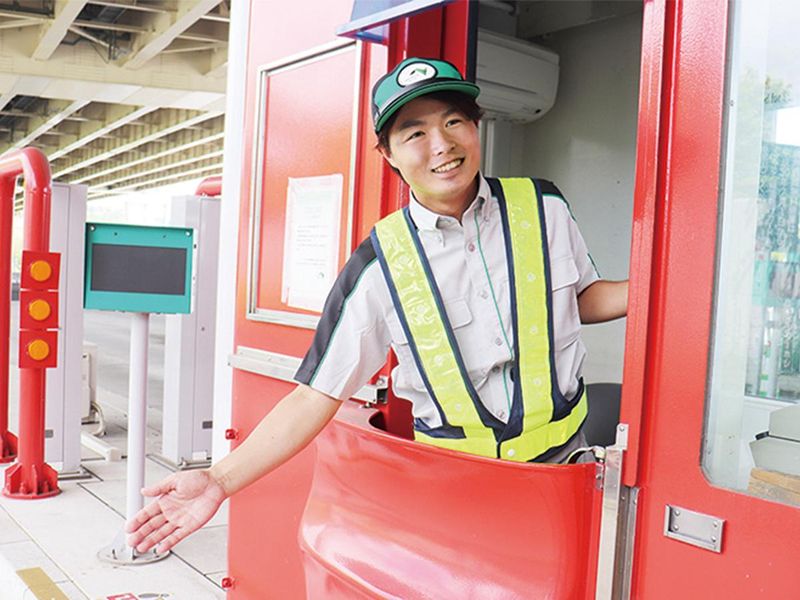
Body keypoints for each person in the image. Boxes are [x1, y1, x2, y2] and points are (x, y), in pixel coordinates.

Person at [126, 57, 628, 554]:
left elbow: (579, 298)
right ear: (388, 153)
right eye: (415, 133)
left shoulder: (544, 206)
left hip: (569, 474)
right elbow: (314, 396)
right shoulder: (379, 263)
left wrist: (661, 291)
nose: (442, 144)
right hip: (459, 490)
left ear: (476, 127)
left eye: (454, 121)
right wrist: (219, 480)